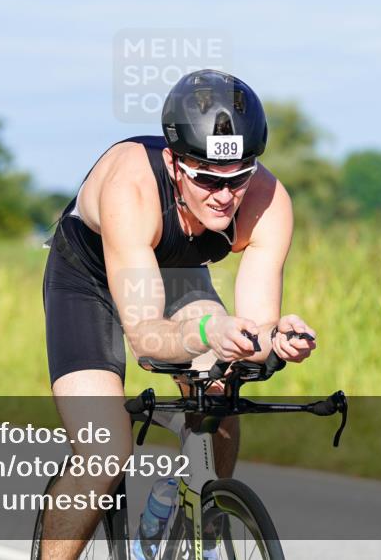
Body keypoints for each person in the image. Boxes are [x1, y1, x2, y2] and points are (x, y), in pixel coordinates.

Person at [40, 69, 317, 558]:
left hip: (174, 273)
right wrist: (210, 328)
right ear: (174, 164)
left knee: (220, 390)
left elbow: (257, 324)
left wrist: (276, 340)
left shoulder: (268, 202)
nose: (225, 196)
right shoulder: (133, 188)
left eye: (239, 178)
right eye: (208, 178)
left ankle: (197, 517)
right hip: (88, 278)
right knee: (105, 451)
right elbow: (148, 339)